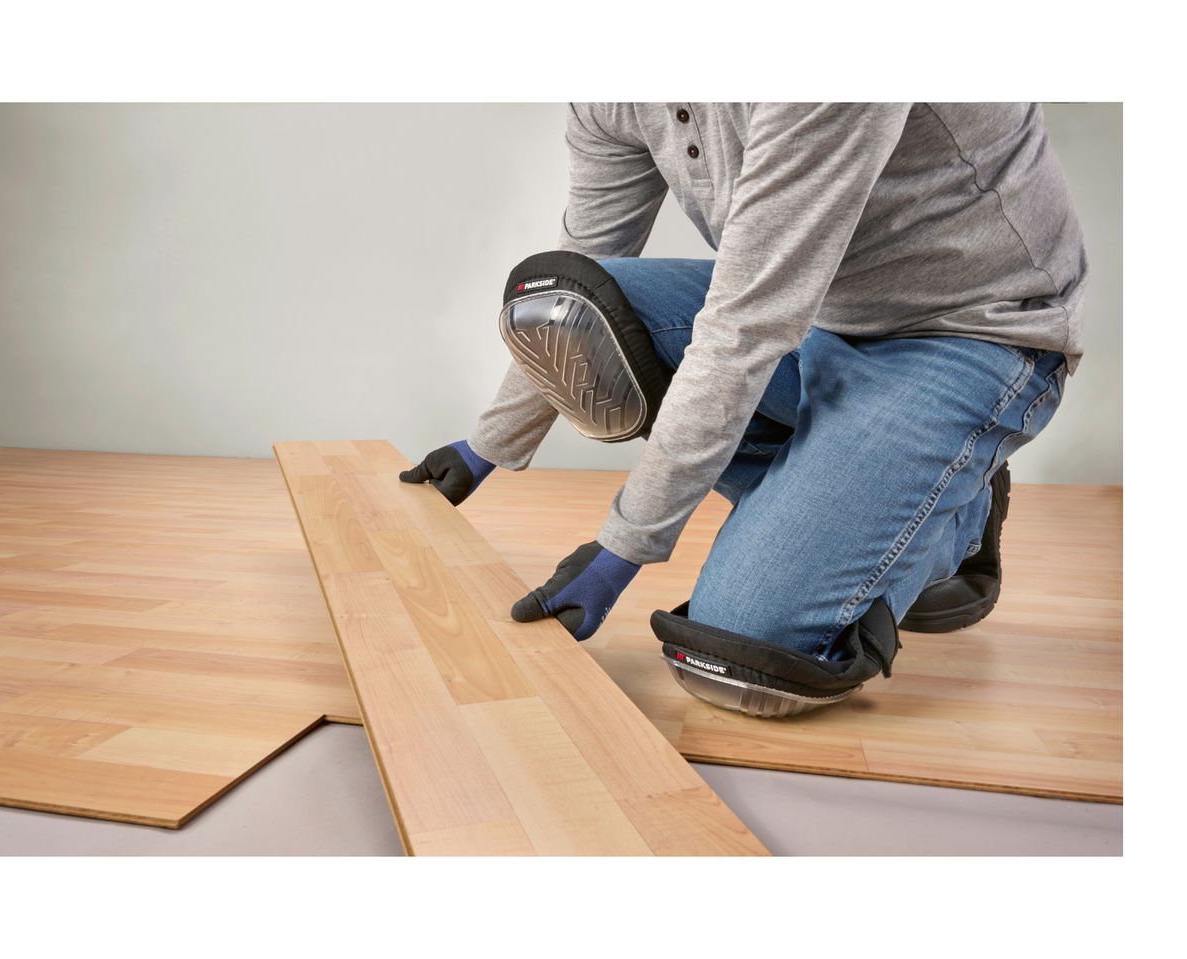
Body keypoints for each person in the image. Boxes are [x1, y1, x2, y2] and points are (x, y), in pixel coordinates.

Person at [400, 103, 1086, 716]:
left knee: (744, 645)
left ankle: (953, 514)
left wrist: (622, 548)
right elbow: (585, 265)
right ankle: (870, 497)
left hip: (971, 328)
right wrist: (483, 448)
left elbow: (744, 329)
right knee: (559, 305)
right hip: (809, 310)